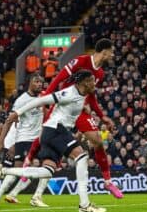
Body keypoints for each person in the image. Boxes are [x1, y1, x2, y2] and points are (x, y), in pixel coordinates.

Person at [0, 70, 106, 212]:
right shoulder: (69, 93)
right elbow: (40, 100)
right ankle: (84, 205)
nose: (95, 83)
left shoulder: (83, 95)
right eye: (93, 80)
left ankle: (3, 171)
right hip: (55, 129)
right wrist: (17, 113)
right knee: (82, 157)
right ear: (85, 82)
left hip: (53, 132)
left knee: (46, 171)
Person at [25, 38, 123, 199]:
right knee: (44, 134)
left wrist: (102, 116)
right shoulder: (81, 60)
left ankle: (107, 181)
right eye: (111, 51)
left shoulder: (100, 73)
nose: (112, 55)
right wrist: (48, 96)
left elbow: (91, 95)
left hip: (80, 109)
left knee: (98, 141)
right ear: (104, 51)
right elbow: (60, 77)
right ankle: (27, 163)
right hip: (63, 105)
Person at [0, 74, 50, 208]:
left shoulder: (42, 97)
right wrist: (4, 141)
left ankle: (22, 195)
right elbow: (10, 121)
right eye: (37, 82)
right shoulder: (21, 100)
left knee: (41, 168)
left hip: (34, 140)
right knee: (13, 171)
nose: (40, 84)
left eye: (42, 82)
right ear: (30, 83)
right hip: (20, 140)